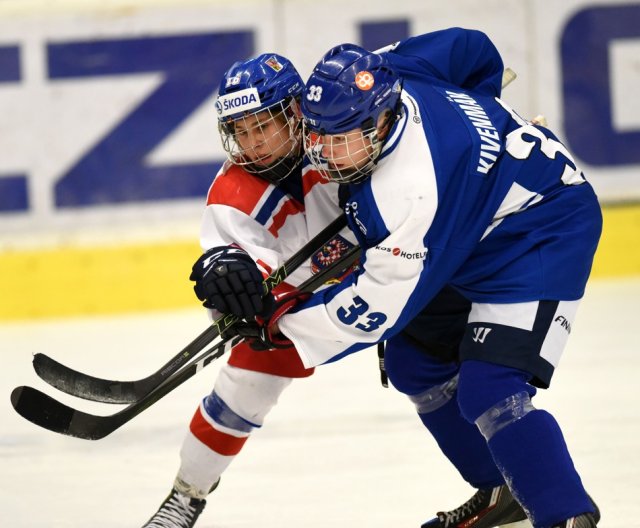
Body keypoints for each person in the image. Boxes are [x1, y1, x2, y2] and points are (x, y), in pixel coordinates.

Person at [253, 28, 603, 528]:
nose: (324, 153)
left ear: (379, 124)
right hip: (471, 231)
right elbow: (471, 47)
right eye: (317, 134)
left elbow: (376, 310)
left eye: (341, 139)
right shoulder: (394, 74)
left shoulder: (408, 192)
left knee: (491, 386)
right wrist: (485, 119)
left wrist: (281, 324)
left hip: (541, 229)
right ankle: (501, 491)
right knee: (414, 361)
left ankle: (564, 515)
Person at [141, 52, 355, 528]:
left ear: (296, 113)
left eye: (264, 126)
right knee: (243, 385)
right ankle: (185, 496)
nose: (252, 143)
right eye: (240, 130)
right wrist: (230, 278)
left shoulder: (344, 129)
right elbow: (231, 259)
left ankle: (500, 486)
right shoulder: (232, 192)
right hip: (302, 301)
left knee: (436, 363)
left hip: (386, 275)